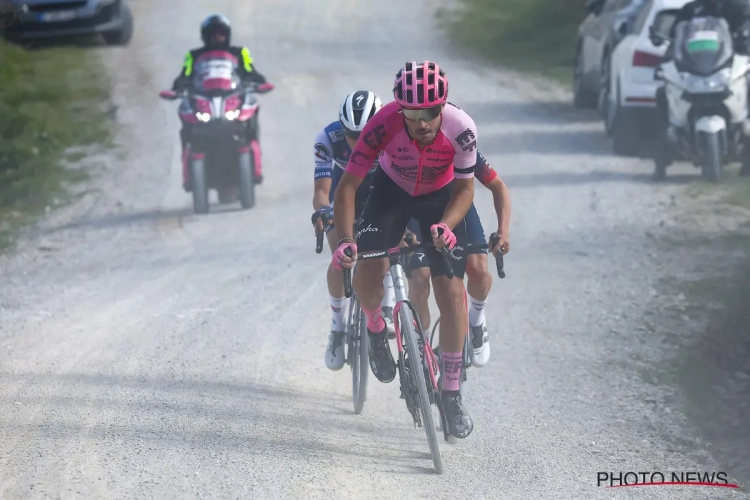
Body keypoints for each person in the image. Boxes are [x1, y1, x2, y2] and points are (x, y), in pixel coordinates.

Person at [333, 60, 479, 439]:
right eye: (412, 114)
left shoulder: (461, 129)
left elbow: (465, 190)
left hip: (441, 199)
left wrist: (446, 226)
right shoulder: (382, 123)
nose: (423, 122)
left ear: (442, 106)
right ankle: (376, 328)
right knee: (367, 270)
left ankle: (450, 393)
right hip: (390, 195)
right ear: (401, 109)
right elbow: (348, 186)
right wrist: (347, 239)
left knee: (450, 292)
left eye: (431, 112)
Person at [310, 90, 398, 371]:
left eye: (367, 135)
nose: (359, 142)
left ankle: (386, 300)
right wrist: (323, 211)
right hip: (344, 196)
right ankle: (337, 328)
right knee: (340, 259)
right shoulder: (327, 139)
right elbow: (322, 192)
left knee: (384, 252)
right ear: (341, 127)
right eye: (351, 134)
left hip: (380, 194)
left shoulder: (395, 135)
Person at [405, 147, 511, 368]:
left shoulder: (460, 142)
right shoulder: (403, 142)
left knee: (479, 270)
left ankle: (476, 320)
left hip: (455, 206)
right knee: (419, 277)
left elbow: (498, 186)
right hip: (414, 210)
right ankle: (420, 347)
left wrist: (503, 231)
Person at [171, 14, 270, 189]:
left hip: (231, 98)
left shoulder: (240, 52)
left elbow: (249, 71)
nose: (217, 37)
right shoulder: (193, 56)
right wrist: (178, 89)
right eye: (212, 33)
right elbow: (185, 76)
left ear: (227, 34)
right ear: (205, 35)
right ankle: (189, 176)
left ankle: (255, 167)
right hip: (204, 101)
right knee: (186, 116)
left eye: (220, 33)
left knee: (251, 111)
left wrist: (258, 82)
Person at [654, 0, 750, 178]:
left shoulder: (736, 7)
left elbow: (746, 25)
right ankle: (660, 159)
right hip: (695, 66)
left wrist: (745, 39)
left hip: (730, 65)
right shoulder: (690, 10)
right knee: (662, 94)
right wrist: (666, 59)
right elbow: (676, 38)